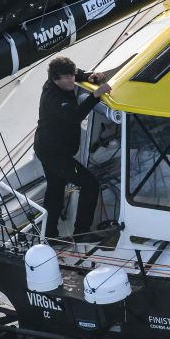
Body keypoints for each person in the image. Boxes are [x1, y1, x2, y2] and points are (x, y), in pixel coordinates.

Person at [34, 56, 112, 241]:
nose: (71, 80)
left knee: (55, 189)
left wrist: (89, 75)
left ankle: (49, 235)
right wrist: (95, 95)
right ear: (55, 79)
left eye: (72, 75)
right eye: (66, 78)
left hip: (48, 147)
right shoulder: (53, 97)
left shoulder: (63, 77)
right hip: (54, 154)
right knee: (90, 184)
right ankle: (81, 233)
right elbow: (74, 116)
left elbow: (77, 74)